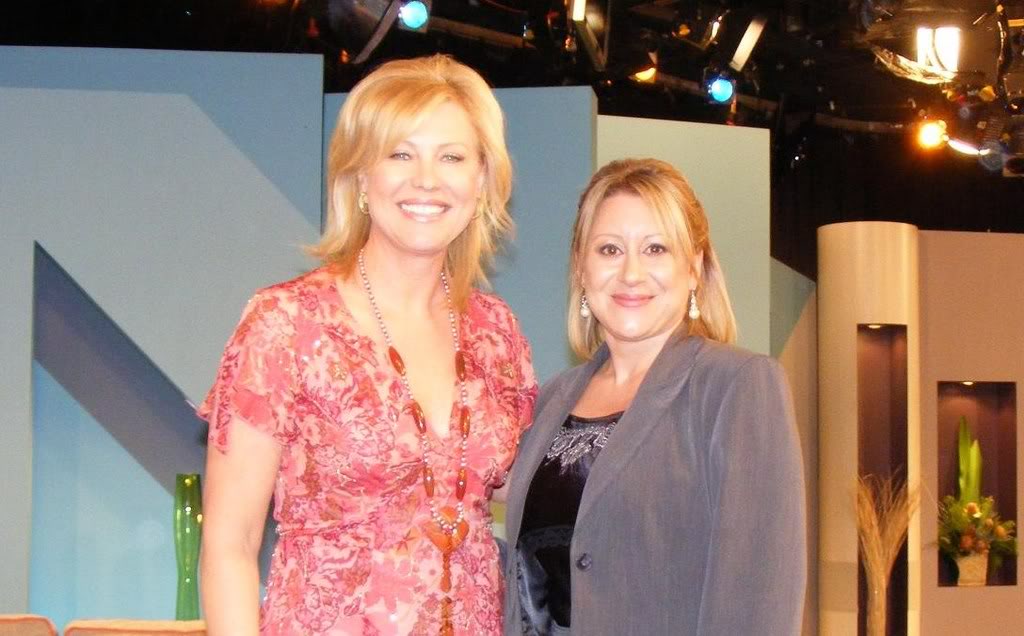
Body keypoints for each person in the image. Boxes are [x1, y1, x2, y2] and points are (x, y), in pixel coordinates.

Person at [199, 55, 537, 635]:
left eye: (452, 157)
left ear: (482, 180)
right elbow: (231, 542)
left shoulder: (496, 334)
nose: (426, 179)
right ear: (360, 176)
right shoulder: (287, 324)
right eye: (399, 154)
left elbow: (527, 493)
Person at [502, 158, 806, 635]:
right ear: (581, 267)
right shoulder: (554, 399)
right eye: (609, 249)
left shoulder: (739, 386)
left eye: (656, 248)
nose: (631, 273)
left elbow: (758, 596)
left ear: (694, 269)